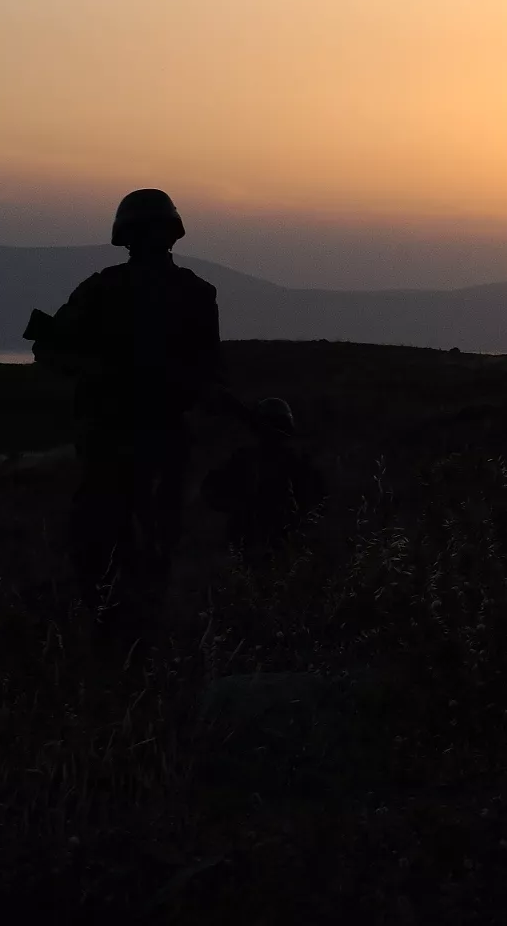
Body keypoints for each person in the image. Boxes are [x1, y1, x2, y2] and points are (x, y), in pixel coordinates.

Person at [30, 188, 260, 642]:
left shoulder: (111, 289)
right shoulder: (181, 293)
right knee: (132, 548)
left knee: (125, 548)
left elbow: (51, 350)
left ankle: (125, 641)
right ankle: (126, 639)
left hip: (132, 440)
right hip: (132, 439)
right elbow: (52, 347)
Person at [199, 397, 327, 560]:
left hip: (276, 543)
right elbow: (211, 490)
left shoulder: (292, 463)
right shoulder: (248, 459)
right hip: (258, 542)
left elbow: (318, 499)